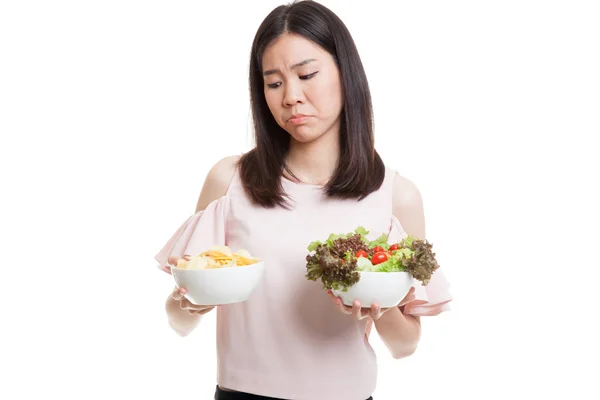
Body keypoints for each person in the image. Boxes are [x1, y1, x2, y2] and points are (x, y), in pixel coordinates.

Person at [155, 1, 452, 399]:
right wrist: (188, 303)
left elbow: (406, 346)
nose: (291, 96)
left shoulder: (396, 196)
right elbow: (178, 321)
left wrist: (376, 311)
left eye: (307, 74)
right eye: (274, 83)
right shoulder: (229, 181)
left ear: (346, 74)